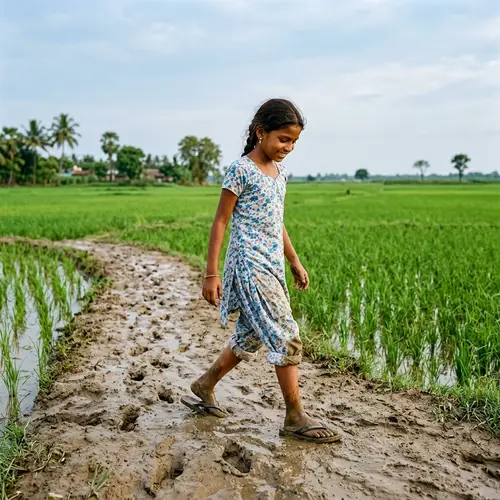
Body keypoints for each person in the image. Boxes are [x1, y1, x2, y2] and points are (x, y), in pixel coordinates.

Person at [181, 98, 340, 443]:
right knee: (286, 333)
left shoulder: (280, 174)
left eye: (294, 142)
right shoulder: (242, 169)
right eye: (283, 139)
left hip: (270, 264)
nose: (289, 148)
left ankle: (204, 384)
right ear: (260, 132)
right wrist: (211, 273)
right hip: (249, 265)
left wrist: (294, 261)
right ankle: (295, 416)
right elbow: (220, 221)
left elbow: (276, 221)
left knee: (250, 336)